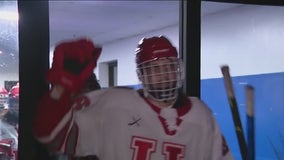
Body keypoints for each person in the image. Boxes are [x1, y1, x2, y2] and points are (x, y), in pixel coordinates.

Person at [33, 36, 233, 160]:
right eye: (155, 68)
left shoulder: (200, 114)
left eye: (169, 66)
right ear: (142, 75)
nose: (164, 74)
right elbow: (50, 135)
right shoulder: (115, 104)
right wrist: (61, 88)